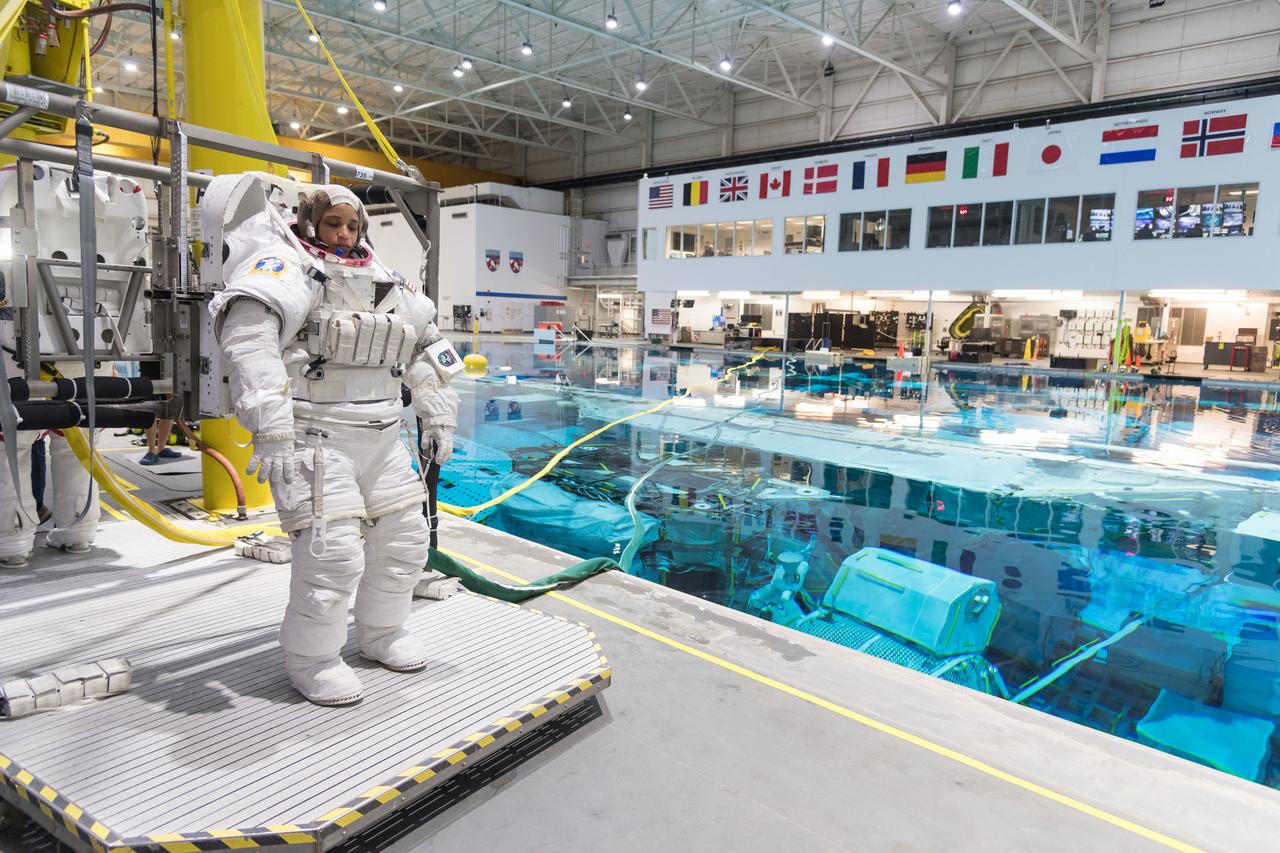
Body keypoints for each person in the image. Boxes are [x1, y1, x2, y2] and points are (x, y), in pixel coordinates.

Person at [210, 180, 460, 706]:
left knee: (404, 543)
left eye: (352, 225)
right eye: (332, 224)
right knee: (333, 556)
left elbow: (424, 346)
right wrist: (272, 427)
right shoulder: (287, 268)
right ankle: (313, 659)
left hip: (384, 436)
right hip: (315, 435)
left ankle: (383, 633)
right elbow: (250, 344)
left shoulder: (383, 279)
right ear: (309, 224)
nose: (344, 234)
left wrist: (437, 411)